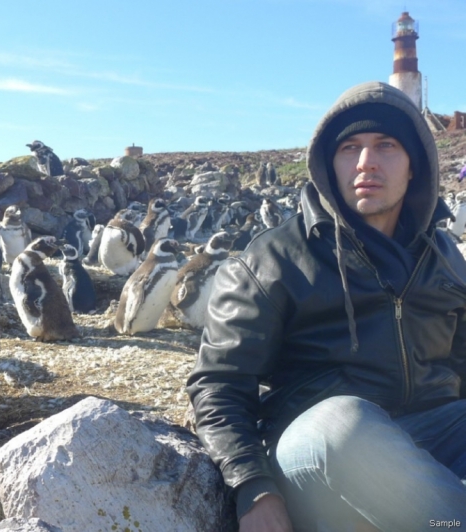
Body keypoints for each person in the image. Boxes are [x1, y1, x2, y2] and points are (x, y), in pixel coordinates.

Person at [186, 81, 466, 532]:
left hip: (429, 438)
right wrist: (253, 488)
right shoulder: (271, 260)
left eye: (386, 145)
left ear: (415, 165)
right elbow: (219, 385)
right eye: (349, 147)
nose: (365, 162)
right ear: (327, 164)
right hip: (320, 451)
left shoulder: (443, 258)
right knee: (344, 424)